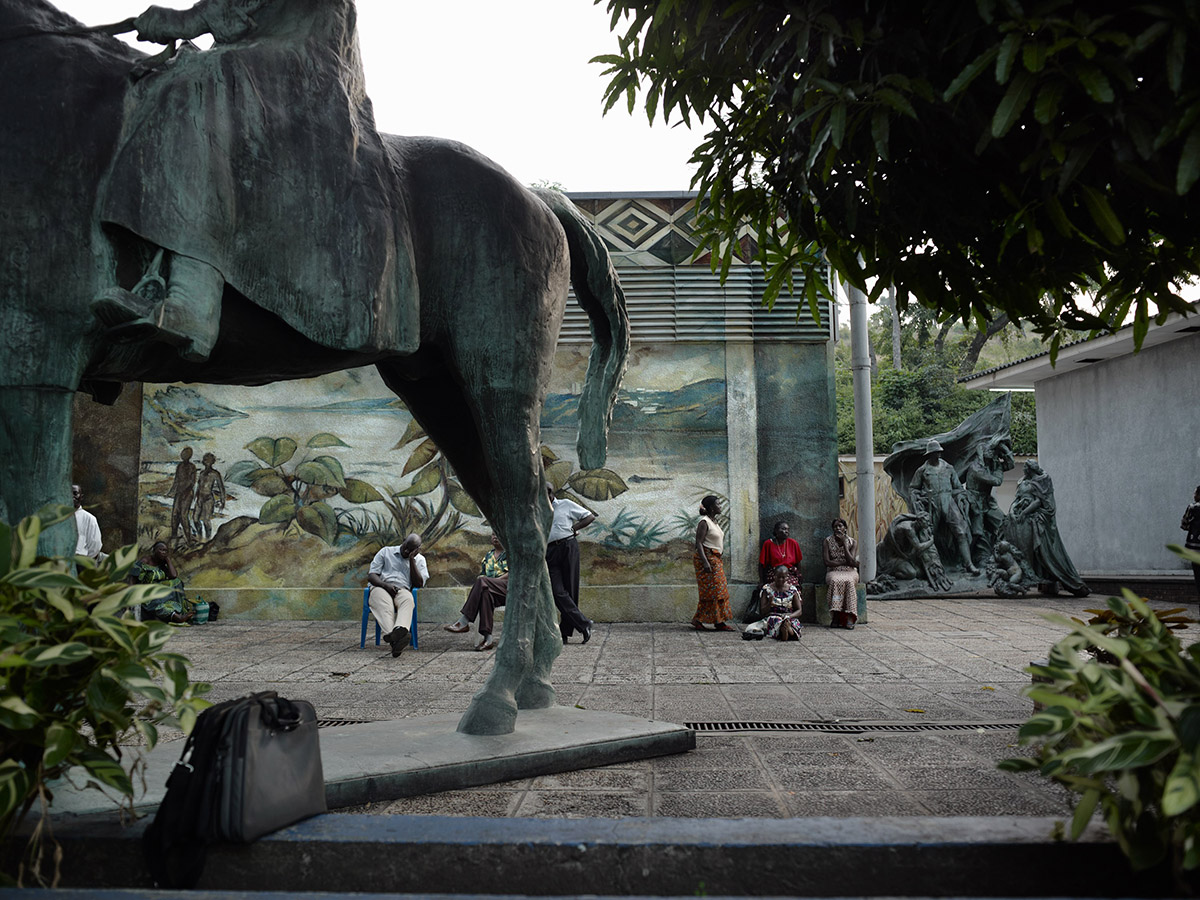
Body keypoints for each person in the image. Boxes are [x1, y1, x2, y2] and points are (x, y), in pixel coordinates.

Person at [1002, 460, 1089, 597]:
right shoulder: (1022, 482)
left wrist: (1024, 513)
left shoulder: (1042, 481)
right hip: (1019, 516)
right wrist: (1012, 512)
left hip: (1033, 516)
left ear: (1030, 469)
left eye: (1025, 467)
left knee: (1037, 546)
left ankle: (1051, 576)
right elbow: (1016, 500)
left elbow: (1039, 501)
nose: (1023, 469)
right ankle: (1025, 572)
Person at [910, 440, 980, 575]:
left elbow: (958, 487)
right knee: (928, 534)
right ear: (929, 454)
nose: (938, 454)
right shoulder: (922, 470)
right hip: (932, 504)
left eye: (939, 452)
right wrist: (921, 498)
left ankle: (969, 564)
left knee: (961, 532)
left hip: (948, 502)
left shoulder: (948, 468)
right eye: (935, 452)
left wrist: (961, 497)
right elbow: (913, 489)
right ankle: (927, 566)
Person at [546, 485, 596, 644]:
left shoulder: (565, 504)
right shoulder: (538, 510)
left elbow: (589, 516)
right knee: (557, 591)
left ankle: (565, 632)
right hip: (549, 551)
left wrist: (573, 528)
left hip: (568, 546)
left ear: (550, 493)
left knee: (571, 589)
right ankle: (584, 623)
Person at [443, 533, 509, 651]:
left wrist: (492, 581)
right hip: (494, 592)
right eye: (493, 535)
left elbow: (513, 573)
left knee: (483, 582)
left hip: (508, 590)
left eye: (497, 534)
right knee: (485, 594)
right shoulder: (488, 556)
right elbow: (483, 575)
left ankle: (464, 621)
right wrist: (487, 582)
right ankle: (488, 639)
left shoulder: (510, 554)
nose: (495, 537)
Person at [367, 533, 428, 658]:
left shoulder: (420, 560)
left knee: (408, 600)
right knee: (385, 606)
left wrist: (412, 560)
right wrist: (385, 585)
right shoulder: (386, 552)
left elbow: (419, 584)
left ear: (417, 549)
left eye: (410, 550)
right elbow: (372, 575)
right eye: (406, 547)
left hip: (402, 589)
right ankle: (397, 638)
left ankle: (399, 632)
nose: (406, 551)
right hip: (381, 586)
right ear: (403, 540)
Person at [691, 495, 734, 632]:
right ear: (711, 507)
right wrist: (705, 562)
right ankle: (705, 621)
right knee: (713, 591)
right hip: (707, 558)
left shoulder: (714, 522)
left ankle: (717, 621)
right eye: (718, 504)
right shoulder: (704, 522)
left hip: (715, 558)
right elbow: (698, 543)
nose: (720, 506)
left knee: (719, 590)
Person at [130, 540, 191, 622]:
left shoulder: (162, 564)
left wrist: (168, 560)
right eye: (161, 550)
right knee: (156, 600)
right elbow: (133, 578)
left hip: (159, 592)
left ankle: (179, 611)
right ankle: (177, 617)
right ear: (154, 550)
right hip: (146, 593)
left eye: (165, 551)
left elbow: (173, 576)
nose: (163, 552)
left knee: (177, 582)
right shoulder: (145, 561)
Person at [746, 565, 802, 641]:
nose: (781, 580)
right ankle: (785, 631)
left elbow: (799, 610)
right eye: (778, 577)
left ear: (787, 577)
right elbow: (763, 611)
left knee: (793, 622)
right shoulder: (767, 589)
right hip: (773, 616)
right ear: (774, 576)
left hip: (788, 617)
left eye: (783, 577)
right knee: (775, 621)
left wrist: (789, 616)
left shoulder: (792, 590)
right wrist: (770, 602)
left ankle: (788, 630)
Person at [823, 517, 860, 629]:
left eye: (840, 526)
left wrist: (844, 544)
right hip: (833, 571)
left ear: (845, 528)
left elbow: (851, 561)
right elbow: (827, 562)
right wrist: (844, 562)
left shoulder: (852, 542)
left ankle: (850, 616)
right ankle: (836, 615)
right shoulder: (827, 541)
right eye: (835, 527)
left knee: (849, 581)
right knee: (835, 581)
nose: (837, 528)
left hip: (850, 571)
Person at [193, 452, 227, 541]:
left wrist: (223, 501)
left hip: (208, 499)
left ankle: (208, 539)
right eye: (206, 460)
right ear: (203, 462)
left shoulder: (215, 474)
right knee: (195, 519)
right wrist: (195, 497)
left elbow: (221, 488)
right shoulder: (202, 473)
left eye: (209, 460)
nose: (207, 462)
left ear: (212, 462)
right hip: (200, 499)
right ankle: (199, 536)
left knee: (206, 520)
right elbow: (199, 486)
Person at [759, 521, 803, 588]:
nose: (786, 531)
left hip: (789, 572)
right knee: (778, 584)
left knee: (792, 586)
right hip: (775, 572)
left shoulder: (793, 543)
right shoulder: (768, 544)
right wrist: (761, 581)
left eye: (787, 529)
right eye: (783, 529)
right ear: (776, 531)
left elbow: (798, 562)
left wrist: (799, 576)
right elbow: (762, 564)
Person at [169, 447, 197, 546]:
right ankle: (174, 535)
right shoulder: (179, 466)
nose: (183, 455)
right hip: (179, 493)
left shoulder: (192, 467)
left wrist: (185, 492)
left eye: (185, 454)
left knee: (183, 516)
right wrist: (171, 491)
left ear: (189, 456)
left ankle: (189, 539)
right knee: (174, 514)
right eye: (183, 453)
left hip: (188, 494)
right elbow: (176, 480)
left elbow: (192, 482)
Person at [72, 483, 103, 561]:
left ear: (81, 497)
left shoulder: (89, 519)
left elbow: (95, 546)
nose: (72, 496)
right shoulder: (57, 517)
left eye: (75, 493)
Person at [1180, 485, 1200, 599]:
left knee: (1198, 575)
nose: (1194, 496)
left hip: (1195, 548)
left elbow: (1184, 524)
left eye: (1195, 493)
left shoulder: (1192, 507)